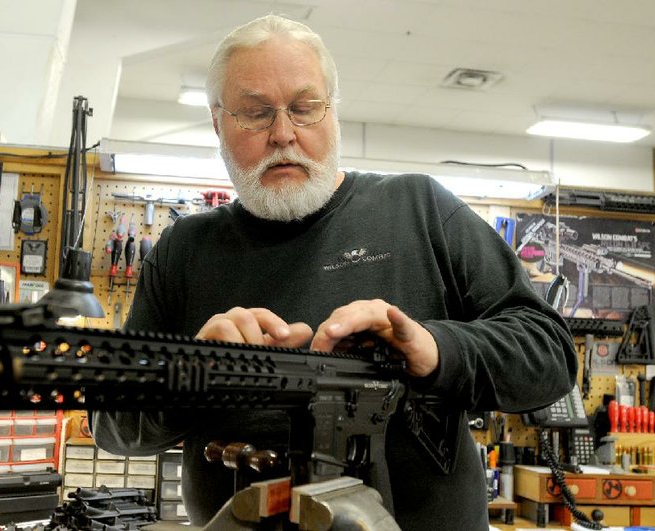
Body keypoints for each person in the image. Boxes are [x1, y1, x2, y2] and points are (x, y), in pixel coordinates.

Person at [91, 14, 577, 531]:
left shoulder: (420, 209)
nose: (283, 134)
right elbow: (111, 425)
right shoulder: (184, 250)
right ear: (218, 124)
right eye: (255, 114)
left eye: (305, 108)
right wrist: (190, 375)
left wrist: (434, 350)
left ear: (333, 112)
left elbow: (548, 353)